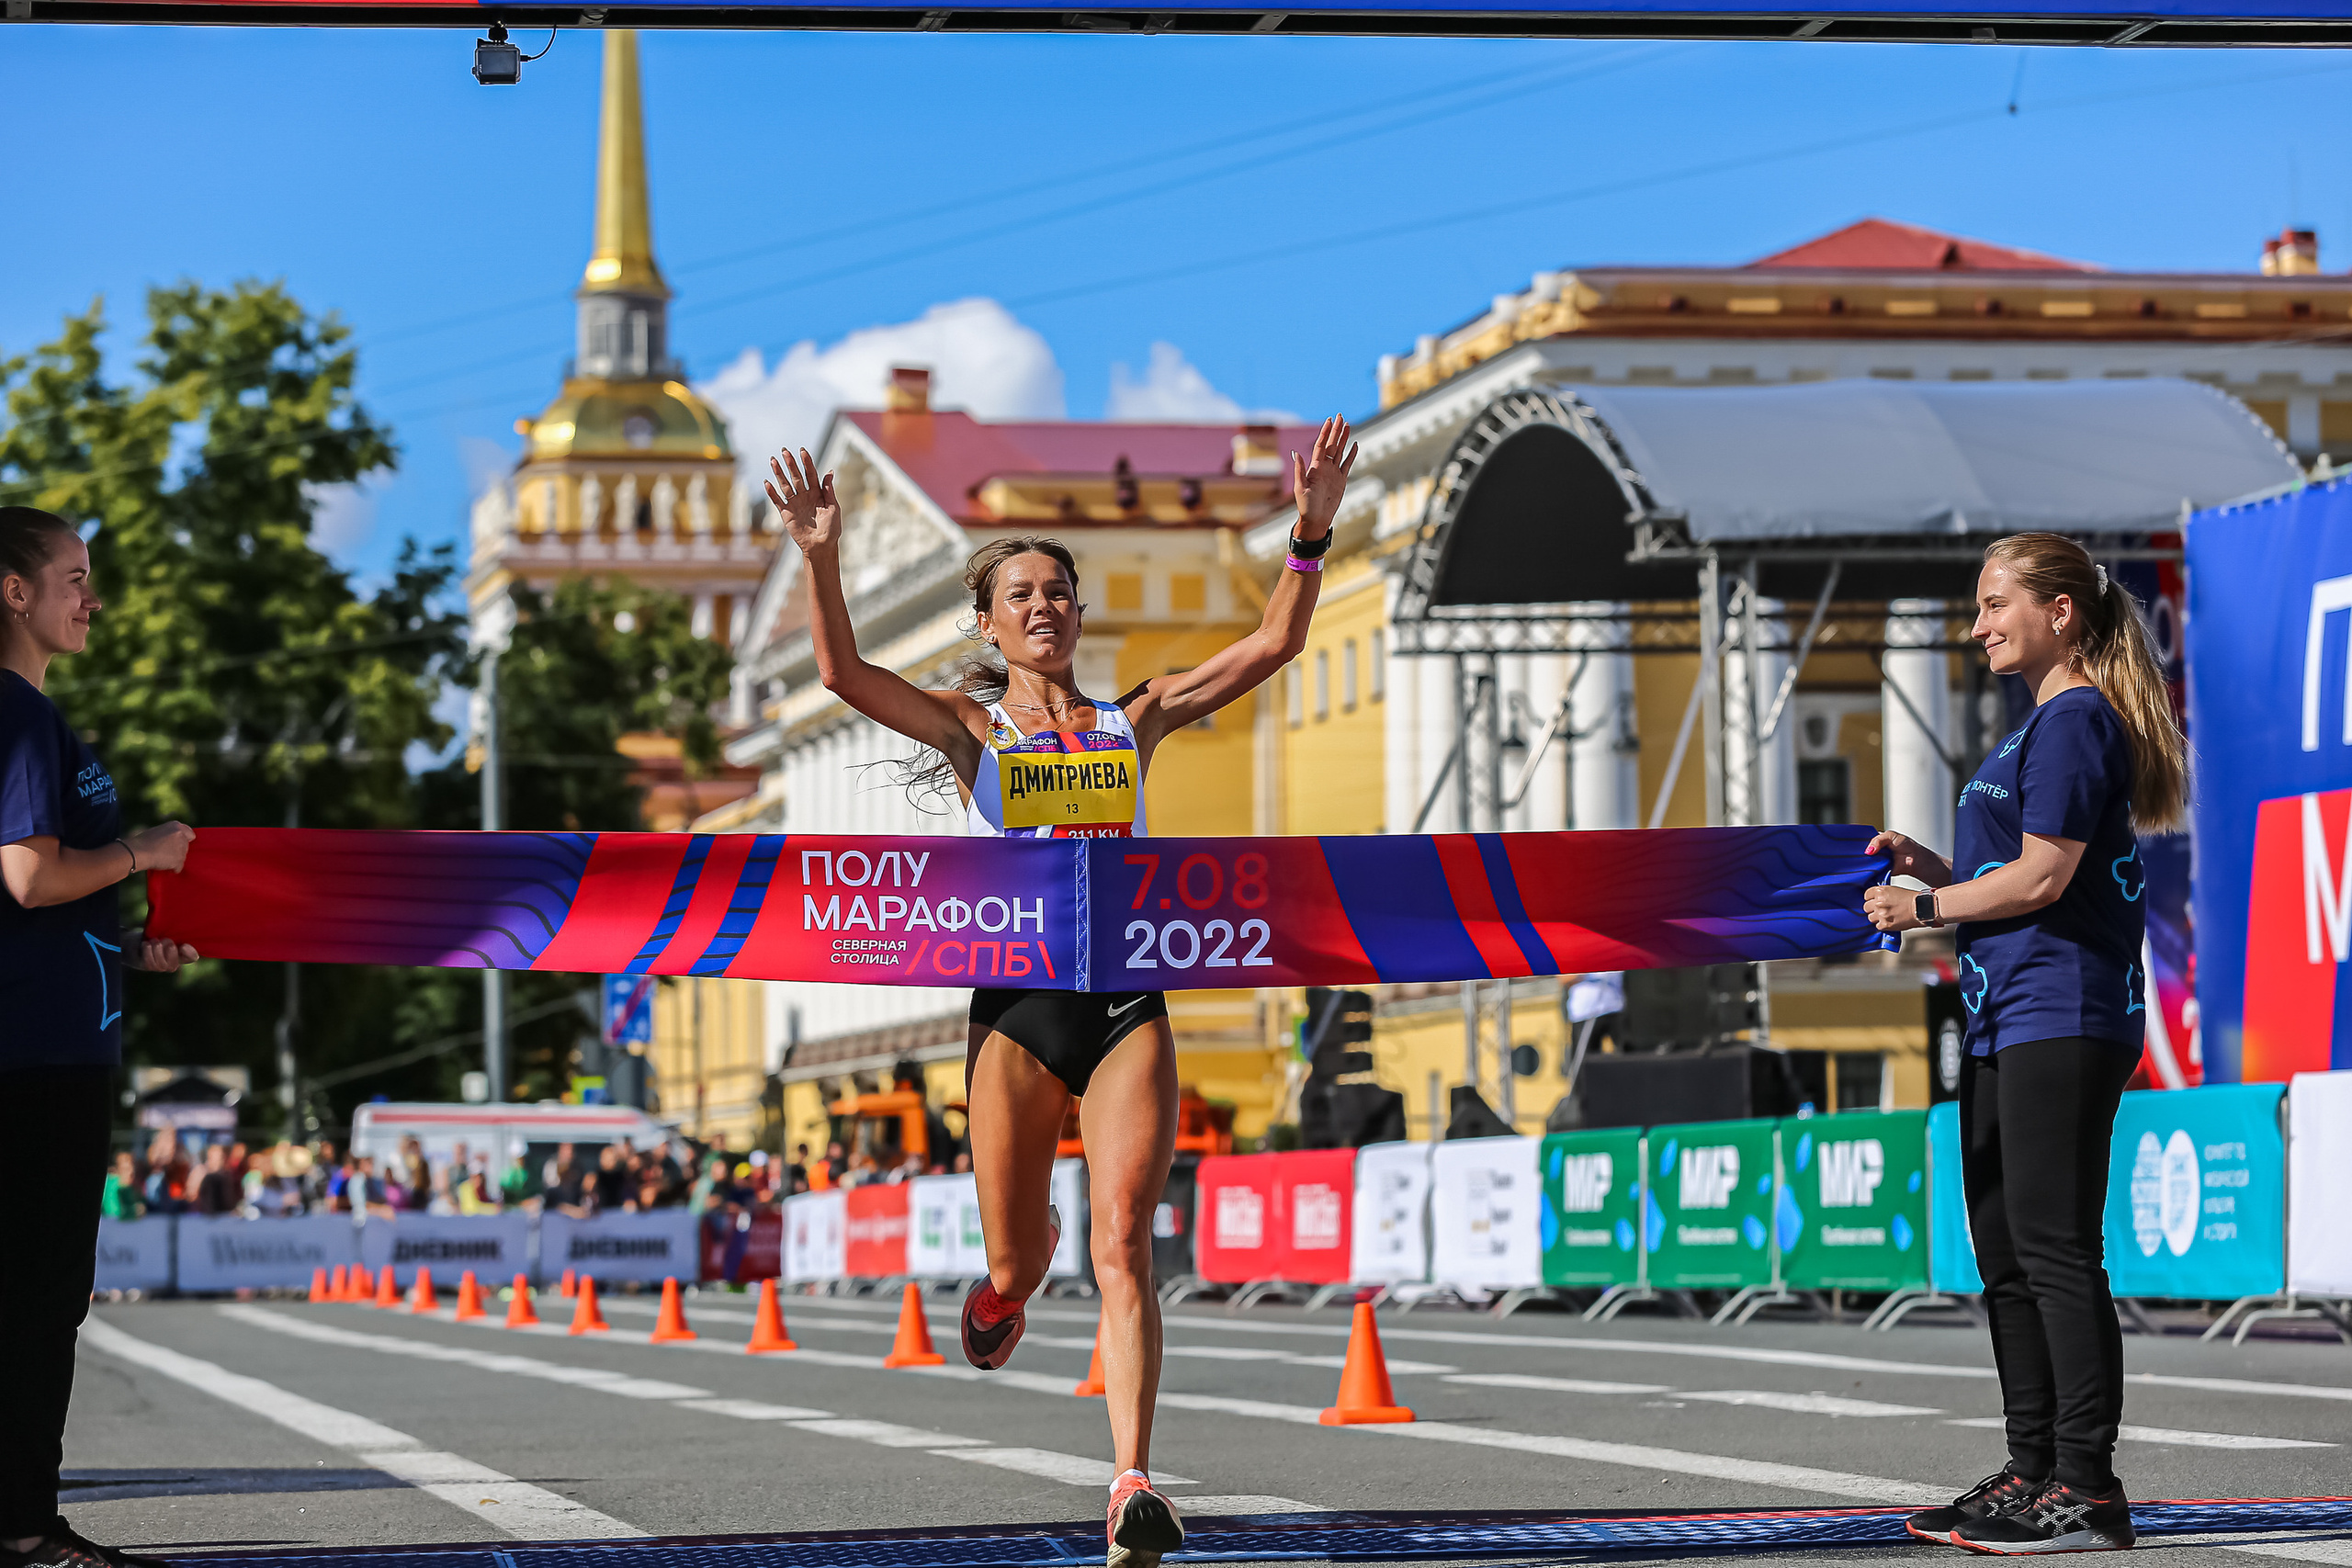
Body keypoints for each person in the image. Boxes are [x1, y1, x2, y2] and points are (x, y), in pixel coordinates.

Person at [765, 415, 1354, 1568]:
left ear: (1077, 616)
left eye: (1060, 593)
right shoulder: (974, 732)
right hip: (1016, 1015)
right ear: (988, 623)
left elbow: (1272, 647)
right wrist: (821, 554)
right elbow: (842, 674)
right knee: (1020, 1260)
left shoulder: (1129, 721)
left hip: (1125, 996)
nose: (1045, 608)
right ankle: (1003, 1289)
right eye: (1022, 594)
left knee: (1125, 1239)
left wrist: (1311, 532)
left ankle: (1132, 1482)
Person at [1865, 533, 2186, 1556]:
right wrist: (1936, 864)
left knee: (2053, 1251)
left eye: (1995, 603)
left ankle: (2086, 1484)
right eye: (1975, 607)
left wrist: (1923, 903)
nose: (1977, 626)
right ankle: (2032, 1466)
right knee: (2003, 1255)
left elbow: (2043, 879)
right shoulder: (2034, 729)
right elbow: (2011, 870)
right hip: (2005, 1012)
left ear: (2061, 612)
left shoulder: (2077, 719)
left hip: (2064, 1012)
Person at [0, 505, 198, 1568]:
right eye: (74, 577)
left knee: (25, 1292)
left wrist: (124, 949)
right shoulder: (20, 716)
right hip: (39, 1053)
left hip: (45, 1024)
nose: (94, 596)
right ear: (13, 593)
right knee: (38, 1296)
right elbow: (29, 877)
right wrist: (145, 853)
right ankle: (25, 1527)